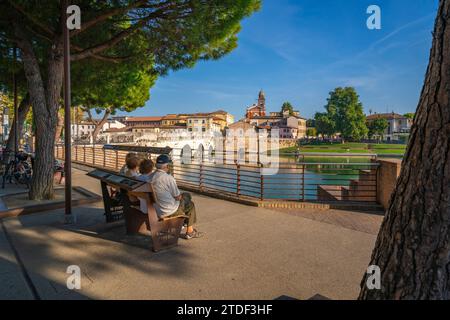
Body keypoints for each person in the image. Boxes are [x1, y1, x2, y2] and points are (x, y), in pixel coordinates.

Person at [151, 154, 203, 240]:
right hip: (169, 210)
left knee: (186, 196)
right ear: (167, 166)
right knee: (190, 204)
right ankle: (189, 231)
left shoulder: (151, 176)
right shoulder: (168, 178)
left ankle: (184, 223)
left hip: (157, 209)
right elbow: (178, 197)